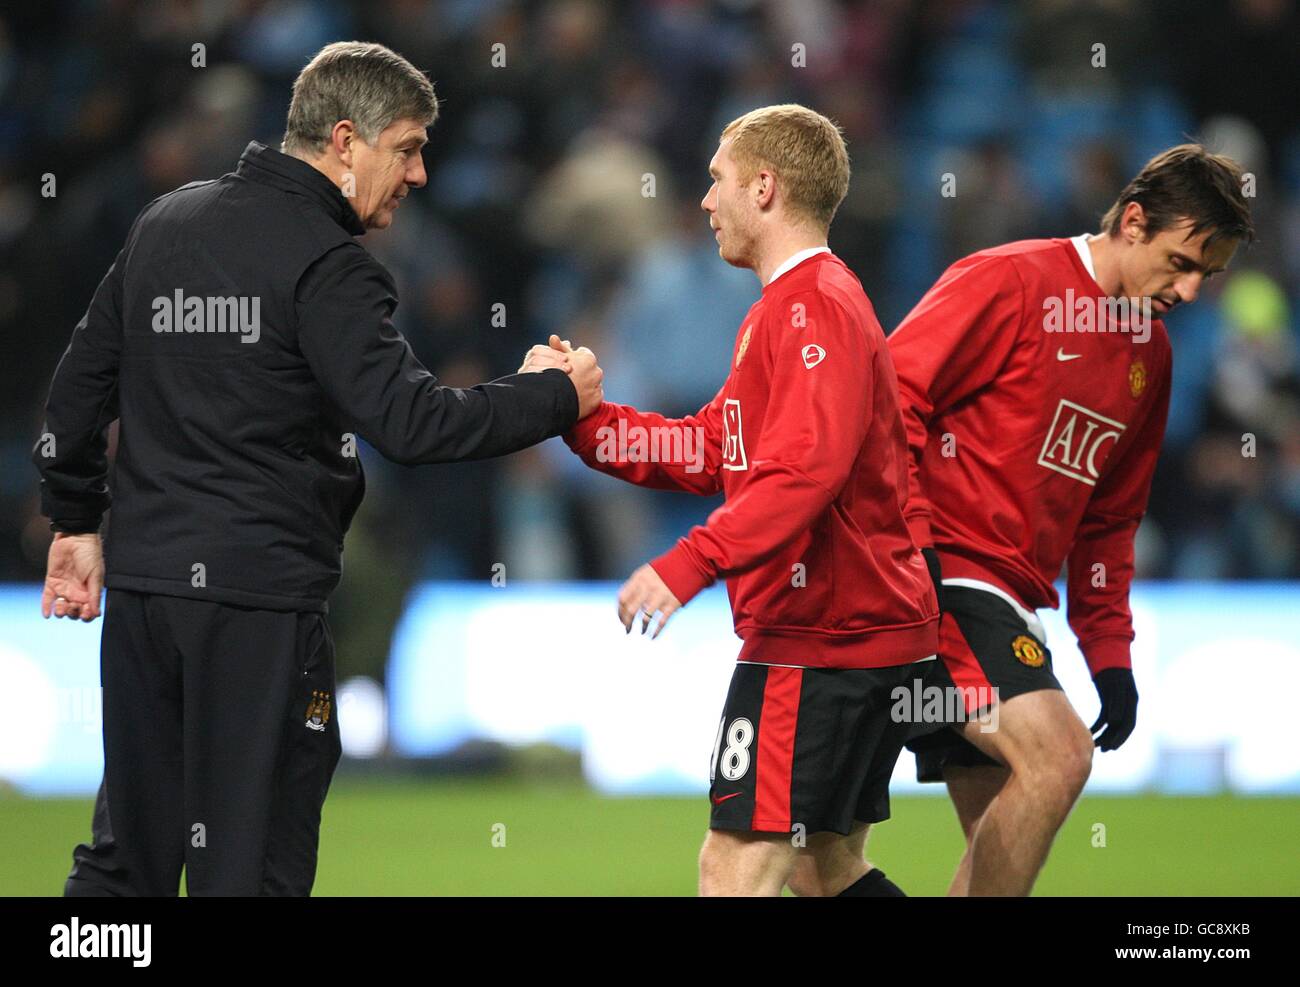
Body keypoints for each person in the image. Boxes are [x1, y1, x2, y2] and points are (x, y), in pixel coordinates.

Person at [33, 41, 602, 896]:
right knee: (251, 866)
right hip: (257, 611)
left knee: (123, 868)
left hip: (146, 600)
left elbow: (75, 393)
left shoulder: (165, 224)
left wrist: (76, 521)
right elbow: (412, 421)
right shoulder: (328, 264)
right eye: (407, 148)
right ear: (345, 140)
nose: (418, 175)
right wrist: (550, 395)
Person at [555, 104, 939, 897]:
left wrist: (691, 561)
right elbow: (712, 448)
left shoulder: (812, 307)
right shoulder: (791, 307)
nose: (704, 201)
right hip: (855, 629)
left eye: (716, 180)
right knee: (822, 865)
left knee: (735, 866)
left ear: (764, 188)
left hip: (820, 635)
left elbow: (806, 471)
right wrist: (587, 423)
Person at [890, 144, 1254, 896]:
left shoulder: (1150, 356)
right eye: (1181, 262)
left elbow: (1109, 524)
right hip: (943, 574)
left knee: (984, 866)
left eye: (1206, 277)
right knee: (1059, 758)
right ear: (1131, 221)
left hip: (1011, 597)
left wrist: (1110, 656)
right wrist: (912, 545)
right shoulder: (1010, 280)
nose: (1188, 290)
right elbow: (889, 400)